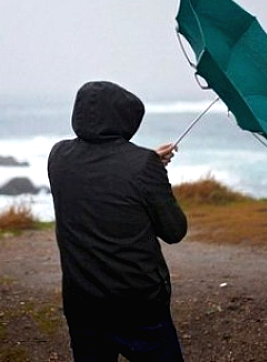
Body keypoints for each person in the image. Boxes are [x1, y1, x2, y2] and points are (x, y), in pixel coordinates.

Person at [48, 80, 188, 361]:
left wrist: (146, 164)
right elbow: (174, 230)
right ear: (127, 119)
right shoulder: (141, 166)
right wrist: (153, 172)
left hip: (82, 301)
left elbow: (103, 172)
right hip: (138, 304)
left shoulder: (58, 156)